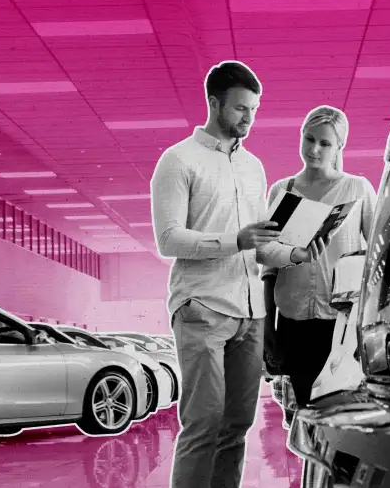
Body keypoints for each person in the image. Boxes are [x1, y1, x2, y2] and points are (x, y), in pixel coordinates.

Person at [150, 60, 282, 488]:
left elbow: (257, 242)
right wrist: (236, 241)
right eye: (241, 108)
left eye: (255, 109)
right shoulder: (178, 161)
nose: (249, 118)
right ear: (214, 103)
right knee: (203, 422)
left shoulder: (254, 167)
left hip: (250, 313)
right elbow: (168, 240)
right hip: (202, 308)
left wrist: (294, 250)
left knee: (238, 423)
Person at [258, 105, 378, 424]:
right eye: (309, 139)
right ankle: (306, 474)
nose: (314, 149)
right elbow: (267, 264)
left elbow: (380, 252)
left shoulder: (358, 189)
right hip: (293, 324)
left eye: (325, 143)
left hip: (342, 325)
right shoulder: (282, 190)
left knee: (340, 416)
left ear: (339, 146)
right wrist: (267, 330)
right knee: (302, 417)